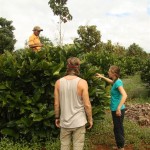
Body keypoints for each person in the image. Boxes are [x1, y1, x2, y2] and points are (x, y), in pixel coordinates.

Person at [54, 57, 93, 150]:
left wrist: (57, 117)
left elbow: (56, 103)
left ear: (67, 66)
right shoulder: (82, 83)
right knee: (78, 147)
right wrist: (90, 119)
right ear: (78, 67)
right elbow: (87, 105)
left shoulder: (58, 83)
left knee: (64, 146)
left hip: (64, 122)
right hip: (79, 121)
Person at [96, 65, 127, 150]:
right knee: (117, 127)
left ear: (114, 73)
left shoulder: (118, 82)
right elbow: (111, 82)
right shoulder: (116, 81)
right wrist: (102, 77)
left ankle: (121, 147)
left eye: (109, 71)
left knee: (118, 128)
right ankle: (120, 145)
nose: (108, 72)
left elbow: (124, 95)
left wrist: (118, 108)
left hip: (118, 109)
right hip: (115, 108)